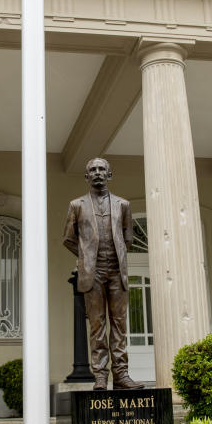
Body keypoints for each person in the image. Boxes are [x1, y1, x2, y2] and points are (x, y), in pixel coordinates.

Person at [63, 158, 144, 391]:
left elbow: (128, 238)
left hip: (117, 271)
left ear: (109, 175)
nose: (97, 173)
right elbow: (68, 238)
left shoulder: (123, 205)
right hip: (93, 272)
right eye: (92, 170)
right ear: (87, 177)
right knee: (97, 325)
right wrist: (86, 256)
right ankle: (100, 376)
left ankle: (121, 374)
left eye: (102, 169)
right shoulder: (77, 205)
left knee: (119, 324)